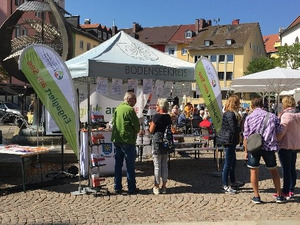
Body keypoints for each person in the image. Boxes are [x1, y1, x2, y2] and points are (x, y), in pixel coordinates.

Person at [243, 97, 286, 204]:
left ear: (252, 106)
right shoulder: (272, 116)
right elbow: (279, 132)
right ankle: (279, 195)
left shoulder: (249, 117)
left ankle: (256, 196)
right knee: (274, 170)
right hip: (269, 147)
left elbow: (246, 136)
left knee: (254, 171)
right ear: (262, 105)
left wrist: (246, 151)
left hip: (254, 147)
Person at [111, 91, 140, 195]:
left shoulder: (118, 108)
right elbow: (136, 126)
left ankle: (117, 187)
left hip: (117, 139)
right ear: (129, 99)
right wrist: (136, 131)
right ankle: (131, 188)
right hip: (127, 140)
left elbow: (113, 122)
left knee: (118, 165)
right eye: (134, 99)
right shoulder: (129, 110)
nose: (135, 101)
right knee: (130, 165)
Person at [218, 95, 244, 194]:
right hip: (229, 140)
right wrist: (240, 128)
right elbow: (233, 128)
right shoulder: (230, 114)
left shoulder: (231, 113)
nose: (239, 104)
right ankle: (225, 185)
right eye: (238, 102)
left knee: (233, 162)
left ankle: (233, 182)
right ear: (235, 103)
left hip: (231, 140)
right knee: (228, 164)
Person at [277, 96, 300, 200]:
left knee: (285, 169)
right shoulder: (297, 114)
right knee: (292, 167)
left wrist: (276, 139)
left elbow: (282, 131)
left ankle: (286, 191)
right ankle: (291, 188)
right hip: (294, 145)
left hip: (285, 144)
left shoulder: (286, 115)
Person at [149, 98, 172, 195]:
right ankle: (164, 186)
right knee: (164, 165)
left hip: (157, 141)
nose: (156, 107)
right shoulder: (168, 117)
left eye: (157, 105)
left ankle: (156, 186)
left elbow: (151, 130)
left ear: (161, 107)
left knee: (157, 165)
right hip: (166, 142)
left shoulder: (156, 117)